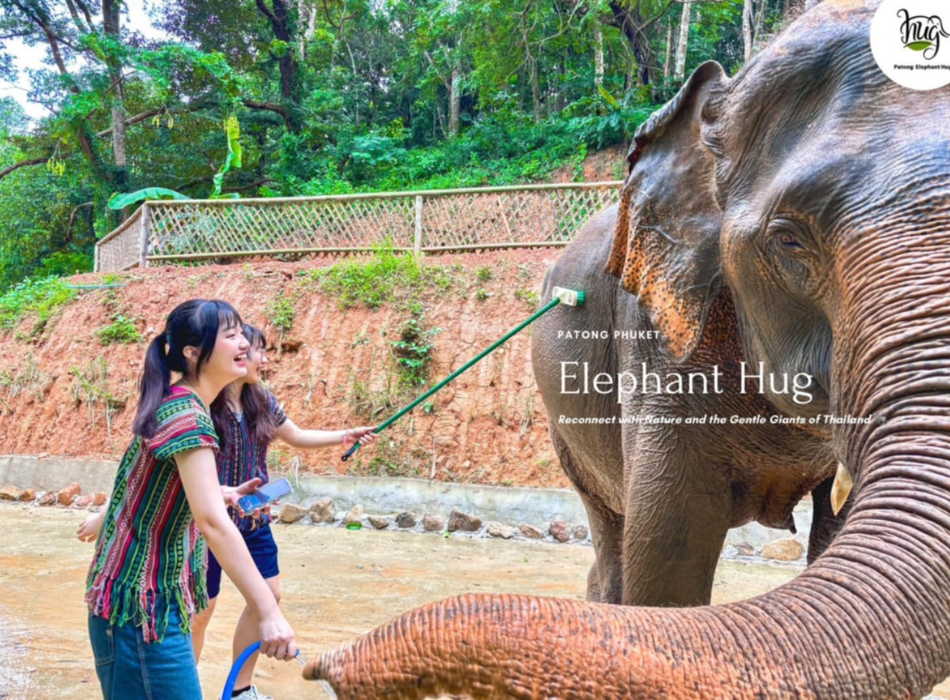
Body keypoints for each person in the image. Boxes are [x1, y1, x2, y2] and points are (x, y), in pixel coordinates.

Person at [84, 299, 297, 700]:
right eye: (231, 335)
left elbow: (148, 482)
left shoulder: (182, 402)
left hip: (147, 603)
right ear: (194, 353)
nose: (244, 344)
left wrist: (219, 492)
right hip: (141, 611)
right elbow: (213, 524)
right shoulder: (188, 417)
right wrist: (268, 611)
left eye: (242, 334)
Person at [192, 323, 377, 700]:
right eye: (258, 351)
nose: (264, 359)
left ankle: (240, 690)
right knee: (202, 609)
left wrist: (344, 436)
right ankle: (183, 690)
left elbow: (296, 435)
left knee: (268, 596)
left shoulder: (261, 400)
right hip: (209, 520)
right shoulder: (204, 402)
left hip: (253, 518)